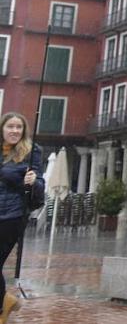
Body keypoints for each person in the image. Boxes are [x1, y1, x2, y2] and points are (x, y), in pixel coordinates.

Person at [0, 112, 43, 322]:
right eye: (10, 126)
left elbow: (40, 187)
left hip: (13, 215)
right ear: (2, 129)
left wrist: (34, 181)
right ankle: (5, 300)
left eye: (19, 127)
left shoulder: (31, 151)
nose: (15, 131)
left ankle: (1, 309)